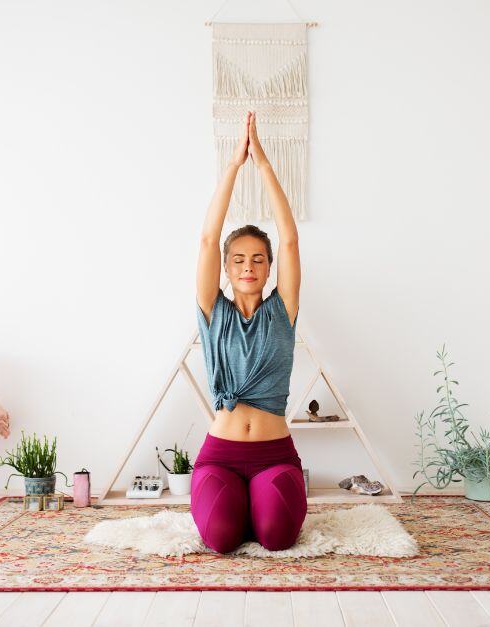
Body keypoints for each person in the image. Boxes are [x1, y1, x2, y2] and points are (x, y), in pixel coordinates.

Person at [191, 110, 306, 553]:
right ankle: (236, 505)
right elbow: (207, 238)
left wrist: (263, 164)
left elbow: (291, 238)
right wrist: (233, 167)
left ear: (270, 267)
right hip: (220, 454)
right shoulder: (210, 310)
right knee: (221, 540)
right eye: (238, 259)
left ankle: (257, 503)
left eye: (258, 259)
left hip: (273, 455)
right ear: (225, 267)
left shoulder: (284, 309)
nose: (248, 266)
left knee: (276, 538)